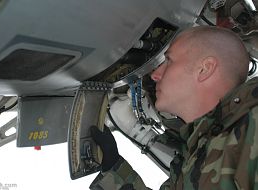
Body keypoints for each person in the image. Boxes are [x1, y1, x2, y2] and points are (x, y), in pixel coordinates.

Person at [89, 26, 258, 190]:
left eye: (168, 61)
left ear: (204, 69)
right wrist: (113, 167)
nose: (155, 75)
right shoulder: (193, 157)